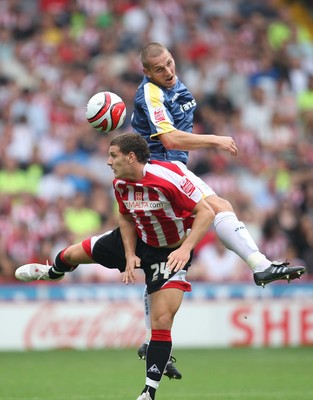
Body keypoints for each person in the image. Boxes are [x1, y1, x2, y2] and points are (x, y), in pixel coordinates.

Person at [131, 42, 306, 369]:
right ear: (147, 72)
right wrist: (216, 139)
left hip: (162, 172)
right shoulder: (151, 94)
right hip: (160, 167)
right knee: (219, 206)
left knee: (163, 257)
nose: (168, 71)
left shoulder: (173, 85)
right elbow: (168, 139)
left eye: (169, 63)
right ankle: (259, 266)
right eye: (159, 69)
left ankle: (151, 340)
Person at [15, 133, 216, 400]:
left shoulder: (169, 179)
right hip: (136, 239)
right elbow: (124, 214)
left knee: (163, 319)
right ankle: (53, 272)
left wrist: (185, 248)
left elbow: (207, 212)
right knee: (73, 253)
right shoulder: (120, 183)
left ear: (131, 157)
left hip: (169, 253)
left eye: (113, 156)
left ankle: (148, 393)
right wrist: (130, 254)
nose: (108, 162)